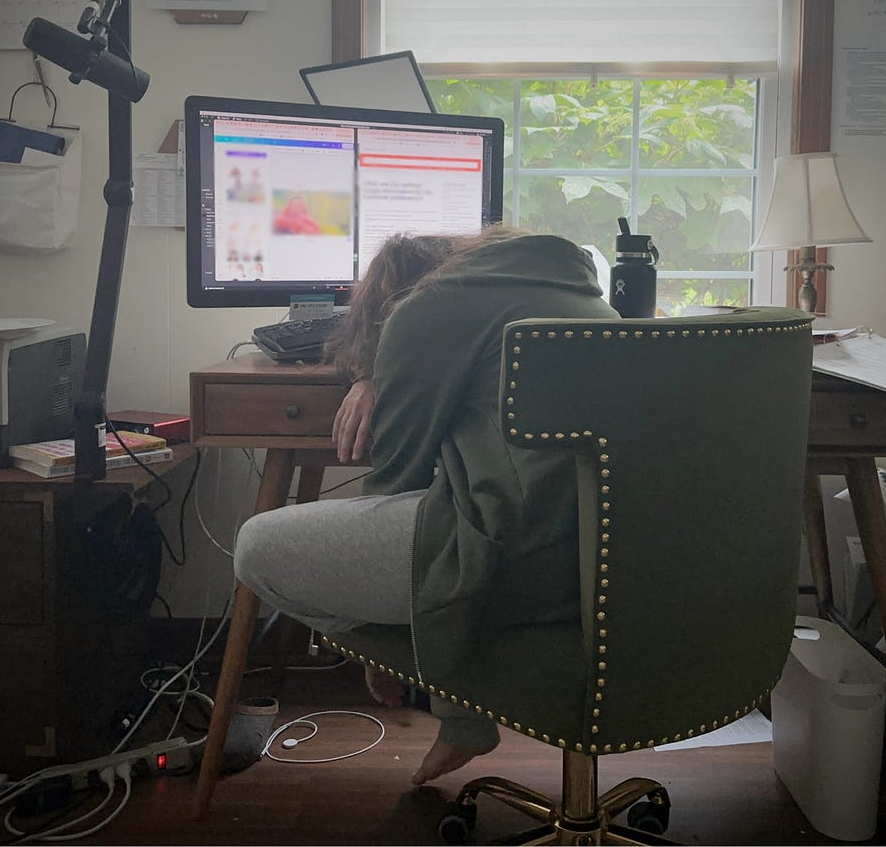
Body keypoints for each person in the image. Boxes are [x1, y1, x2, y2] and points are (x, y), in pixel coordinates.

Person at [232, 226, 619, 785]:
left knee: (256, 547)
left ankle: (463, 696)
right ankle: (463, 711)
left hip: (512, 561)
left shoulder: (428, 309)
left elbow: (398, 481)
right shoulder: (583, 297)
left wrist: (373, 648)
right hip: (604, 562)